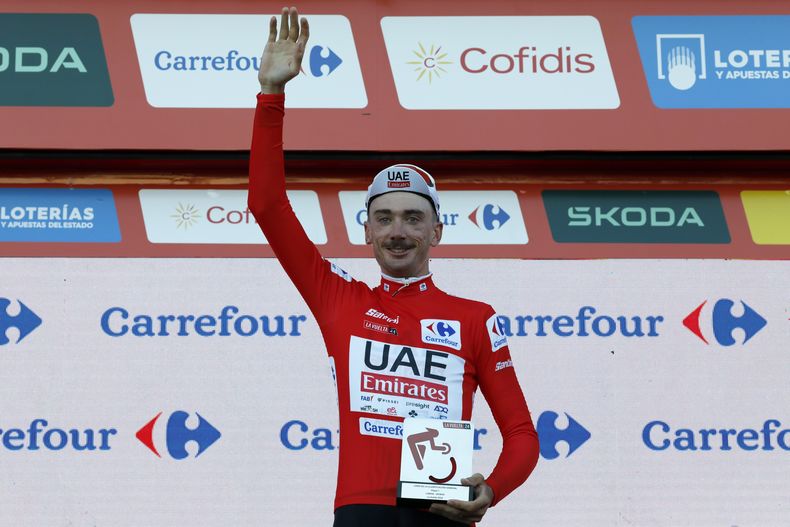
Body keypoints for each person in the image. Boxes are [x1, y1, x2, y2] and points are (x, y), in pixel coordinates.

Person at [248, 7, 539, 526]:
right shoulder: (342, 298)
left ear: (437, 231)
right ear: (366, 231)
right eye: (383, 218)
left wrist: (491, 490)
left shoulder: (473, 317)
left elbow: (522, 435)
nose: (397, 230)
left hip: (438, 507)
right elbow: (268, 205)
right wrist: (272, 95)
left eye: (412, 217)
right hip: (360, 511)